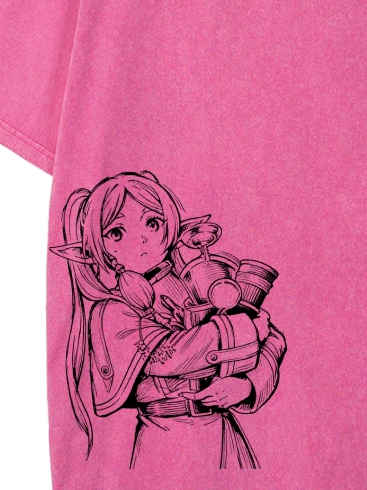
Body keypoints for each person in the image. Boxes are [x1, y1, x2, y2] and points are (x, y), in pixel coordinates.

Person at [51, 170, 286, 469]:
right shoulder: (111, 310)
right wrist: (247, 327)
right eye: (117, 232)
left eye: (152, 222)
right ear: (100, 248)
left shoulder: (194, 281)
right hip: (165, 438)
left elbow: (273, 339)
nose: (142, 237)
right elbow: (169, 357)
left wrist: (247, 387)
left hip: (224, 432)